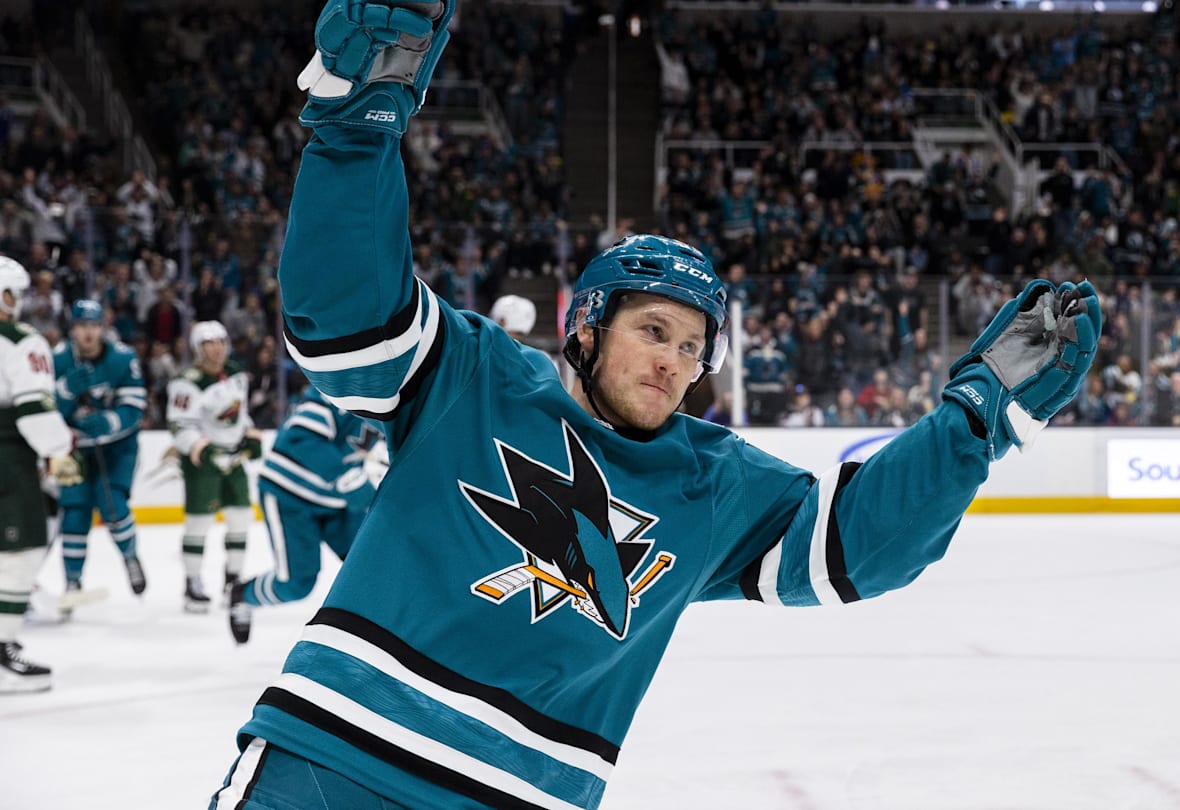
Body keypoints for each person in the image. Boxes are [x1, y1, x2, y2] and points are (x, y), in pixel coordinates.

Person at [209, 5, 1101, 808]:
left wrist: (977, 422)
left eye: (692, 346)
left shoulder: (712, 481)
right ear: (588, 327)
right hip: (329, 761)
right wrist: (356, 133)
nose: (677, 361)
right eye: (655, 330)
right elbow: (347, 325)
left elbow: (861, 543)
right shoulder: (473, 374)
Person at [227, 384, 380, 645]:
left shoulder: (402, 398)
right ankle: (243, 594)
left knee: (376, 566)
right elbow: (301, 439)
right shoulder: (336, 388)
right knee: (297, 584)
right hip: (290, 495)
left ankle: (375, 638)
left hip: (336, 502)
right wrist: (346, 479)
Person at [0, 256, 82, 691]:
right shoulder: (20, 340)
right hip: (8, 461)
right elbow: (34, 411)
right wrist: (59, 448)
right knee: (20, 554)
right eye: (13, 293)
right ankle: (2, 650)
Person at [52, 299, 149, 606]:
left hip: (118, 447)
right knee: (75, 513)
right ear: (73, 329)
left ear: (103, 328)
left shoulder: (122, 358)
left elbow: (135, 407)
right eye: (82, 326)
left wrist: (110, 421)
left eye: (94, 326)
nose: (89, 333)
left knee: (113, 504)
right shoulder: (56, 359)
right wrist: (64, 393)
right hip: (74, 449)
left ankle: (130, 556)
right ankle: (72, 581)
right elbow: (44, 410)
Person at [166, 320, 262, 613]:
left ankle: (233, 580)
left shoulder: (236, 374)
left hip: (234, 460)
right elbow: (179, 425)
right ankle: (192, 582)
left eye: (221, 341)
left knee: (241, 517)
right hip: (202, 463)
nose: (217, 348)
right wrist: (202, 449)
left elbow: (239, 414)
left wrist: (249, 434)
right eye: (209, 343)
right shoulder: (187, 381)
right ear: (198, 348)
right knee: (199, 523)